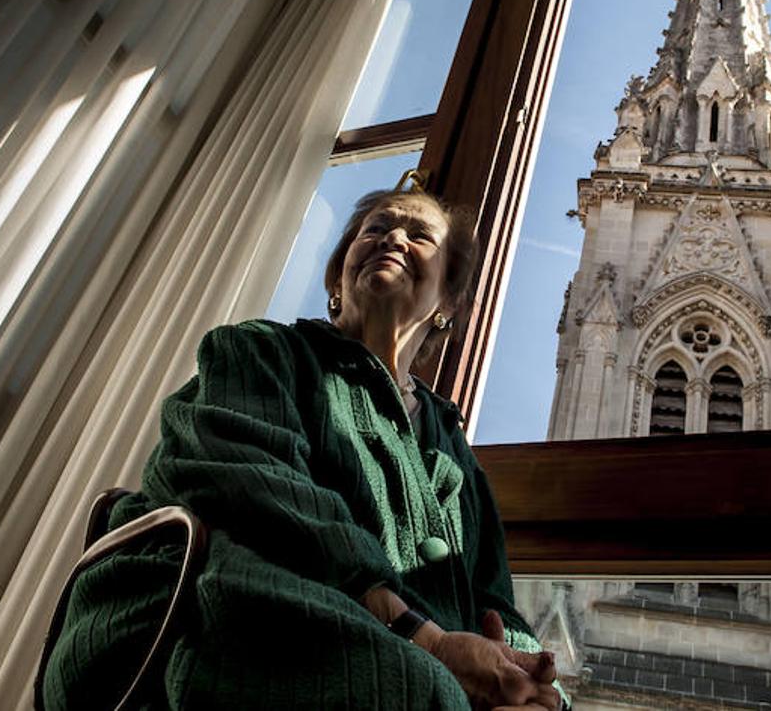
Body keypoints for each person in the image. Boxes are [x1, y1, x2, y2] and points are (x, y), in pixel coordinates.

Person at [42, 179, 567, 710]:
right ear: (339, 276)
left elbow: (495, 600)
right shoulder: (258, 350)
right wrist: (424, 637)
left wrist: (533, 685)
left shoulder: (454, 450)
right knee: (416, 691)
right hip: (211, 619)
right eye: (376, 228)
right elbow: (251, 483)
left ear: (448, 303)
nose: (392, 239)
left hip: (387, 659)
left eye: (419, 236)